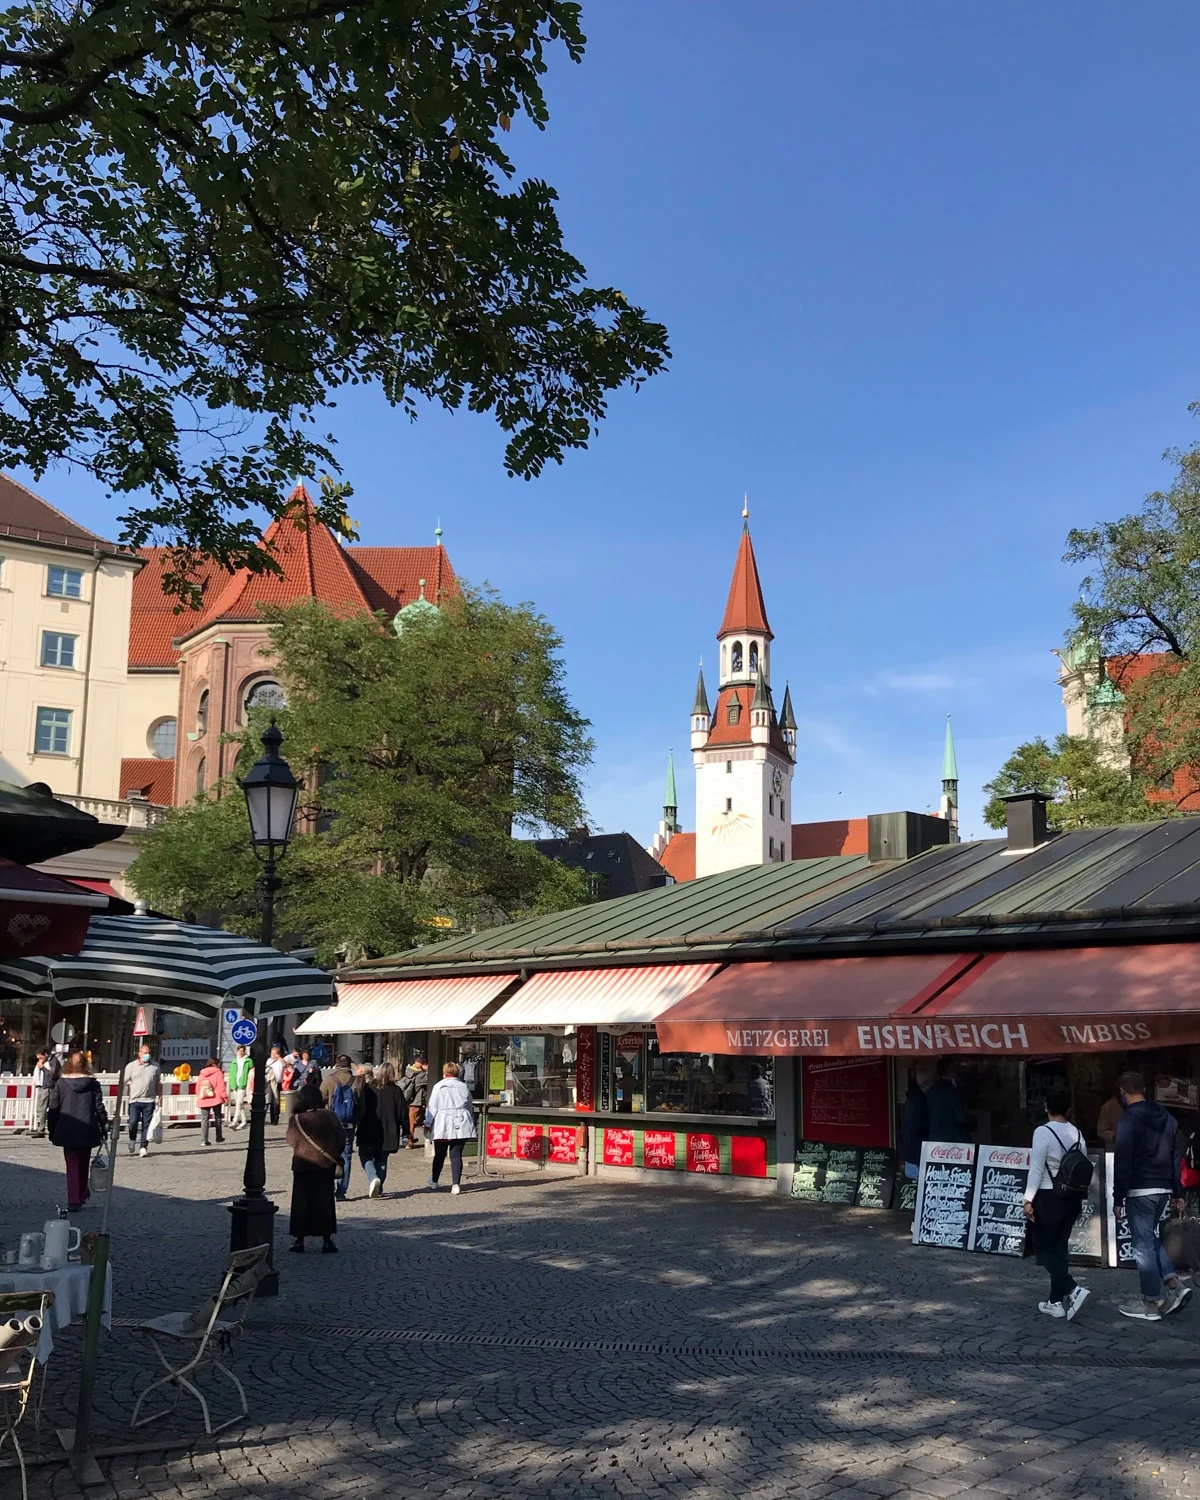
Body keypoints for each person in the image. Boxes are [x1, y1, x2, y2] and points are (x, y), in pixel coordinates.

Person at [1112, 1070, 1190, 1320]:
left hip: (1140, 1189)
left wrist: (1117, 1197)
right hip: (1163, 1189)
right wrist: (1177, 1191)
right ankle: (1173, 1284)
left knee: (1143, 1245)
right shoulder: (1167, 1118)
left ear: (1123, 1092)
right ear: (1144, 1090)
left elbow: (1123, 1161)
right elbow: (1175, 1157)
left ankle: (1151, 1302)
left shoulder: (1128, 1120)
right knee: (1149, 1238)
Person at [1022, 1085, 1090, 1321]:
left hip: (1048, 1196)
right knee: (1059, 1248)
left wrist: (1027, 1199)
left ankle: (1072, 1289)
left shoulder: (1043, 1132)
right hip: (1072, 1197)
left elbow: (1036, 1169)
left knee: (1042, 1248)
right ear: (1068, 1108)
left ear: (1046, 1107)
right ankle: (1054, 1302)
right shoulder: (1078, 1134)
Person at [286, 1081, 345, 1253]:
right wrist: (334, 1153)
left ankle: (299, 1240)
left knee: (301, 1202)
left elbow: (291, 1140)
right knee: (324, 1201)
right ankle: (327, 1239)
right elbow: (341, 1138)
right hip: (324, 1165)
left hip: (302, 1165)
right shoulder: (330, 1116)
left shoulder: (296, 1119)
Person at [47, 1051, 107, 1212]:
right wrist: (104, 1125)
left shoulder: (61, 1083)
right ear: (85, 1065)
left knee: (72, 1164)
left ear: (68, 1064)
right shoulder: (93, 1084)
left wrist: (52, 1129)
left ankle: (74, 1199)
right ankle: (81, 1194)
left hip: (67, 1127)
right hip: (87, 1127)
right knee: (83, 1163)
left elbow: (53, 1108)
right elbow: (99, 1107)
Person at [356, 1063, 407, 1198]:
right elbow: (402, 1113)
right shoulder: (396, 1091)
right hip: (389, 1130)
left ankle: (373, 1177)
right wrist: (406, 1131)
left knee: (366, 1155)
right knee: (382, 1159)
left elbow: (361, 1107)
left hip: (368, 1128)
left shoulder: (369, 1088)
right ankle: (378, 1187)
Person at [425, 1061, 476, 1194]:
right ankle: (456, 1184)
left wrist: (427, 1124)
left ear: (444, 1072)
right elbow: (469, 1106)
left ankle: (434, 1181)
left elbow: (432, 1107)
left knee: (439, 1154)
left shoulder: (438, 1086)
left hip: (443, 1122)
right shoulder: (463, 1087)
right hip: (460, 1121)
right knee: (456, 1155)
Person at [321, 1054, 364, 1199]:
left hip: (331, 1124)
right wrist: (356, 1120)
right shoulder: (356, 1081)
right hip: (349, 1125)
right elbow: (361, 1105)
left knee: (329, 1155)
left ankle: (329, 1186)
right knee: (346, 1156)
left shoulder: (329, 1080)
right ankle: (341, 1191)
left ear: (336, 1065)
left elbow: (320, 1099)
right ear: (349, 1065)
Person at [121, 1044, 162, 1158]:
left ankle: (143, 1147)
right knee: (133, 1122)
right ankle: (132, 1139)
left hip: (149, 1100)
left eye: (149, 1053)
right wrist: (119, 1096)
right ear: (139, 1053)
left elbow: (158, 1083)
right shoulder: (131, 1066)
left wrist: (160, 1097)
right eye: (145, 1053)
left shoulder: (155, 1066)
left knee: (146, 1125)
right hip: (134, 1100)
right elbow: (124, 1081)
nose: (147, 1055)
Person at [924, 1059, 975, 1144]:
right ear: (950, 1071)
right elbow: (961, 1117)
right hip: (952, 1140)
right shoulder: (953, 1092)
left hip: (934, 1139)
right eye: (955, 1069)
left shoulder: (930, 1091)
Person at [899, 1068, 932, 1180]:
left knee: (913, 1180)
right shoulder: (918, 1100)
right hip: (916, 1148)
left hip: (910, 1147)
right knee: (917, 1180)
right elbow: (917, 1126)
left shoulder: (912, 1098)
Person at [195, 1056, 228, 1145]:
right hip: (216, 1098)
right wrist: (225, 1097)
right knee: (218, 1117)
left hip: (204, 1098)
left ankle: (204, 1140)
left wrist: (199, 1096)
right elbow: (221, 1086)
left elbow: (198, 1086)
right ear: (216, 1064)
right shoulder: (218, 1073)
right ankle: (218, 1137)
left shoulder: (202, 1073)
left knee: (204, 1119)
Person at [30, 1048, 59, 1138]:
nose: (40, 1059)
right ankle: (44, 1128)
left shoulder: (53, 1061)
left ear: (45, 1054)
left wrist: (42, 1068)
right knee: (40, 1109)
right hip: (43, 1086)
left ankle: (43, 1130)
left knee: (43, 1109)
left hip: (48, 1087)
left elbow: (53, 1075)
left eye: (41, 1057)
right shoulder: (46, 1061)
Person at [401, 1056, 429, 1149]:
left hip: (408, 1100)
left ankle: (410, 1139)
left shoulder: (409, 1072)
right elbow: (429, 1079)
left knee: (410, 1121)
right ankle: (409, 1141)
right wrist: (427, 1070)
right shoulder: (420, 1075)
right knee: (412, 1122)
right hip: (416, 1102)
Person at [227, 1045, 253, 1130]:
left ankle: (234, 1121)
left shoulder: (248, 1061)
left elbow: (252, 1074)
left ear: (245, 1051)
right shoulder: (234, 1061)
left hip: (243, 1084)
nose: (241, 1052)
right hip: (235, 1084)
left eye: (242, 1051)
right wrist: (232, 1083)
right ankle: (244, 1121)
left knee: (239, 1102)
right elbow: (232, 1072)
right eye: (239, 1051)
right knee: (239, 1104)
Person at [265, 1045, 285, 1125]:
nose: (272, 1055)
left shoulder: (280, 1061)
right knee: (269, 1100)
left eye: (274, 1053)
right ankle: (271, 1119)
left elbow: (284, 1064)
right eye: (271, 1053)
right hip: (269, 1082)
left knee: (276, 1101)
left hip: (277, 1082)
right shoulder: (268, 1060)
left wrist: (279, 1057)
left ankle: (275, 1120)